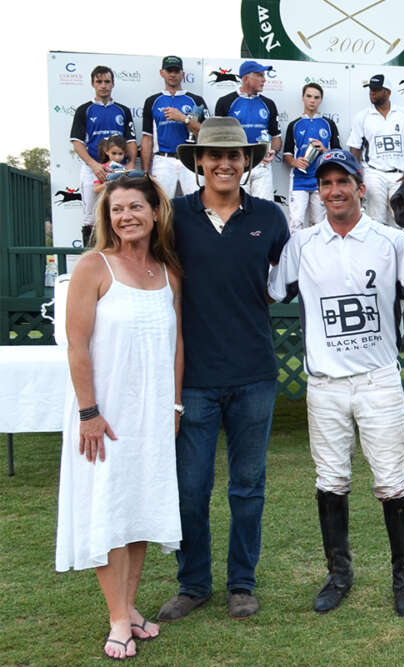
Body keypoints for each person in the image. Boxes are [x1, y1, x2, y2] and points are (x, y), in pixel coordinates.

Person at [268, 149, 404, 617]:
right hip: (324, 384)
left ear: (361, 188)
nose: (335, 191)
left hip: (378, 380)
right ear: (318, 193)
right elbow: (270, 290)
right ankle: (339, 575)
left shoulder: (391, 242)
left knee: (391, 482)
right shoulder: (302, 245)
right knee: (331, 481)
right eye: (326, 184)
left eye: (344, 182)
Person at [157, 117, 290, 622]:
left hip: (255, 373)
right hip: (193, 379)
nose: (224, 163)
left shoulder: (272, 219)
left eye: (235, 155)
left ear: (249, 162)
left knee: (247, 487)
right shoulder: (173, 218)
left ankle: (241, 583)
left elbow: (296, 278)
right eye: (214, 155)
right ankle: (193, 584)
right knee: (190, 488)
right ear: (198, 162)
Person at [56, 174, 184, 660]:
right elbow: (76, 345)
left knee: (139, 507)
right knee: (109, 510)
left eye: (135, 207)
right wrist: (89, 412)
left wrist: (174, 404)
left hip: (151, 413)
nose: (125, 216)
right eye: (116, 209)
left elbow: (177, 344)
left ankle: (129, 608)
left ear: (155, 213)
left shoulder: (167, 271)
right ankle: (116, 619)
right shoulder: (93, 266)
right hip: (105, 414)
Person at [70, 65, 138, 247]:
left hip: (118, 169)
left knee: (121, 210)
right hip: (92, 168)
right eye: (99, 82)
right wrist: (94, 165)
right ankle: (90, 257)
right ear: (93, 84)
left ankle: (118, 254)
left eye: (107, 81)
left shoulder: (122, 110)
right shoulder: (84, 110)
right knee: (90, 216)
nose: (103, 86)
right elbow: (77, 143)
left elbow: (131, 141)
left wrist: (130, 165)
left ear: (113, 84)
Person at [347, 74, 404, 228]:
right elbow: (354, 147)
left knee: (402, 220)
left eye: (376, 90)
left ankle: (402, 251)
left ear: (388, 92)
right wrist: (358, 174)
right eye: (371, 90)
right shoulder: (362, 117)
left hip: (399, 174)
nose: (372, 93)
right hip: (374, 173)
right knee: (377, 221)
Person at [214, 61, 282, 200]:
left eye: (264, 75)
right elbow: (217, 138)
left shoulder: (268, 104)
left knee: (263, 212)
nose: (264, 79)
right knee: (236, 211)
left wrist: (273, 151)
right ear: (245, 78)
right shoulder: (225, 102)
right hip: (236, 165)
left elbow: (276, 137)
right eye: (259, 75)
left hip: (262, 165)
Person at [141, 55, 207, 197]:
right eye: (169, 70)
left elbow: (207, 133)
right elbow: (147, 138)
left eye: (176, 71)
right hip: (163, 161)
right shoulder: (152, 101)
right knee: (162, 207)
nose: (172, 74)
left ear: (182, 74)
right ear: (162, 73)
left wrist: (184, 118)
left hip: (191, 158)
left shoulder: (195, 100)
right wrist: (145, 171)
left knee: (197, 205)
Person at [282, 82, 341, 232]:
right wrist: (295, 162)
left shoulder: (329, 124)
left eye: (316, 97)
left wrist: (324, 150)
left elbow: (338, 153)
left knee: (318, 223)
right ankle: (296, 255)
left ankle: (315, 255)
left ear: (321, 100)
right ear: (303, 98)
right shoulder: (294, 125)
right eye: (309, 96)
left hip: (321, 180)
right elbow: (286, 154)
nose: (312, 100)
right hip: (299, 180)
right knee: (296, 222)